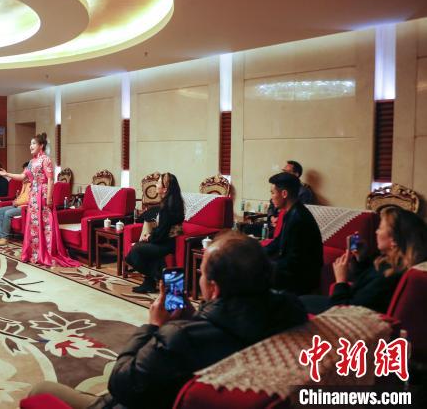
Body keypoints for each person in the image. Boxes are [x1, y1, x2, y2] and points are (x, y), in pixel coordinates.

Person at [26, 232, 308, 409]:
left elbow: (121, 383)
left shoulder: (180, 337)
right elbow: (225, 329)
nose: (199, 278)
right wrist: (197, 317)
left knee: (40, 390)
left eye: (202, 273)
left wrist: (153, 326)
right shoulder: (291, 313)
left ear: (214, 287)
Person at [301, 206, 427, 314]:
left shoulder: (389, 277)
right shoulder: (388, 262)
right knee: (300, 300)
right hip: (345, 304)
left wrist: (340, 280)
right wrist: (361, 258)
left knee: (297, 304)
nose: (376, 232)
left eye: (380, 228)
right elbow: (364, 287)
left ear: (394, 240)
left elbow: (346, 312)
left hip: (344, 314)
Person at [0, 133, 78, 266]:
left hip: (43, 194)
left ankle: (47, 252)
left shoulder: (46, 160)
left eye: (34, 143)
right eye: (30, 143)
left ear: (41, 146)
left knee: (45, 224)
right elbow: (22, 177)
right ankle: (35, 252)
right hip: (34, 195)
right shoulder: (31, 162)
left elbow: (50, 179)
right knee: (34, 224)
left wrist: (49, 197)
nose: (31, 146)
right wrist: (7, 174)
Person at [263, 172, 323, 295]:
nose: (271, 198)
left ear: (284, 194)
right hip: (290, 272)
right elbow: (278, 242)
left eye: (273, 193)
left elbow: (294, 262)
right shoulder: (291, 212)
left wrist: (266, 265)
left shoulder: (299, 218)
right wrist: (256, 252)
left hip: (300, 281)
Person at [126, 172, 185, 293]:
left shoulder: (167, 207)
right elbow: (163, 229)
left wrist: (149, 238)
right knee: (145, 251)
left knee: (135, 251)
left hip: (167, 244)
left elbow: (162, 233)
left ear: (165, 189)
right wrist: (150, 236)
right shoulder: (173, 202)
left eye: (158, 182)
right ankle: (149, 284)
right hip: (168, 242)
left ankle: (159, 276)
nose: (156, 184)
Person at [0, 161, 30, 246]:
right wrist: (16, 200)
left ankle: (5, 238)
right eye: (23, 171)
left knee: (7, 213)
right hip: (18, 205)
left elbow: (29, 199)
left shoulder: (34, 183)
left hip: (25, 207)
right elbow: (21, 196)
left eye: (25, 171)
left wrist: (17, 202)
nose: (23, 173)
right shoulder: (25, 182)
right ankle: (0, 236)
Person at [267, 160, 315, 226]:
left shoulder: (304, 192)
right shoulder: (280, 188)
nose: (283, 174)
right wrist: (272, 217)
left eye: (286, 172)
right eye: (283, 171)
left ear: (296, 174)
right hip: (274, 222)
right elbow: (271, 205)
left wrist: (280, 220)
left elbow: (297, 214)